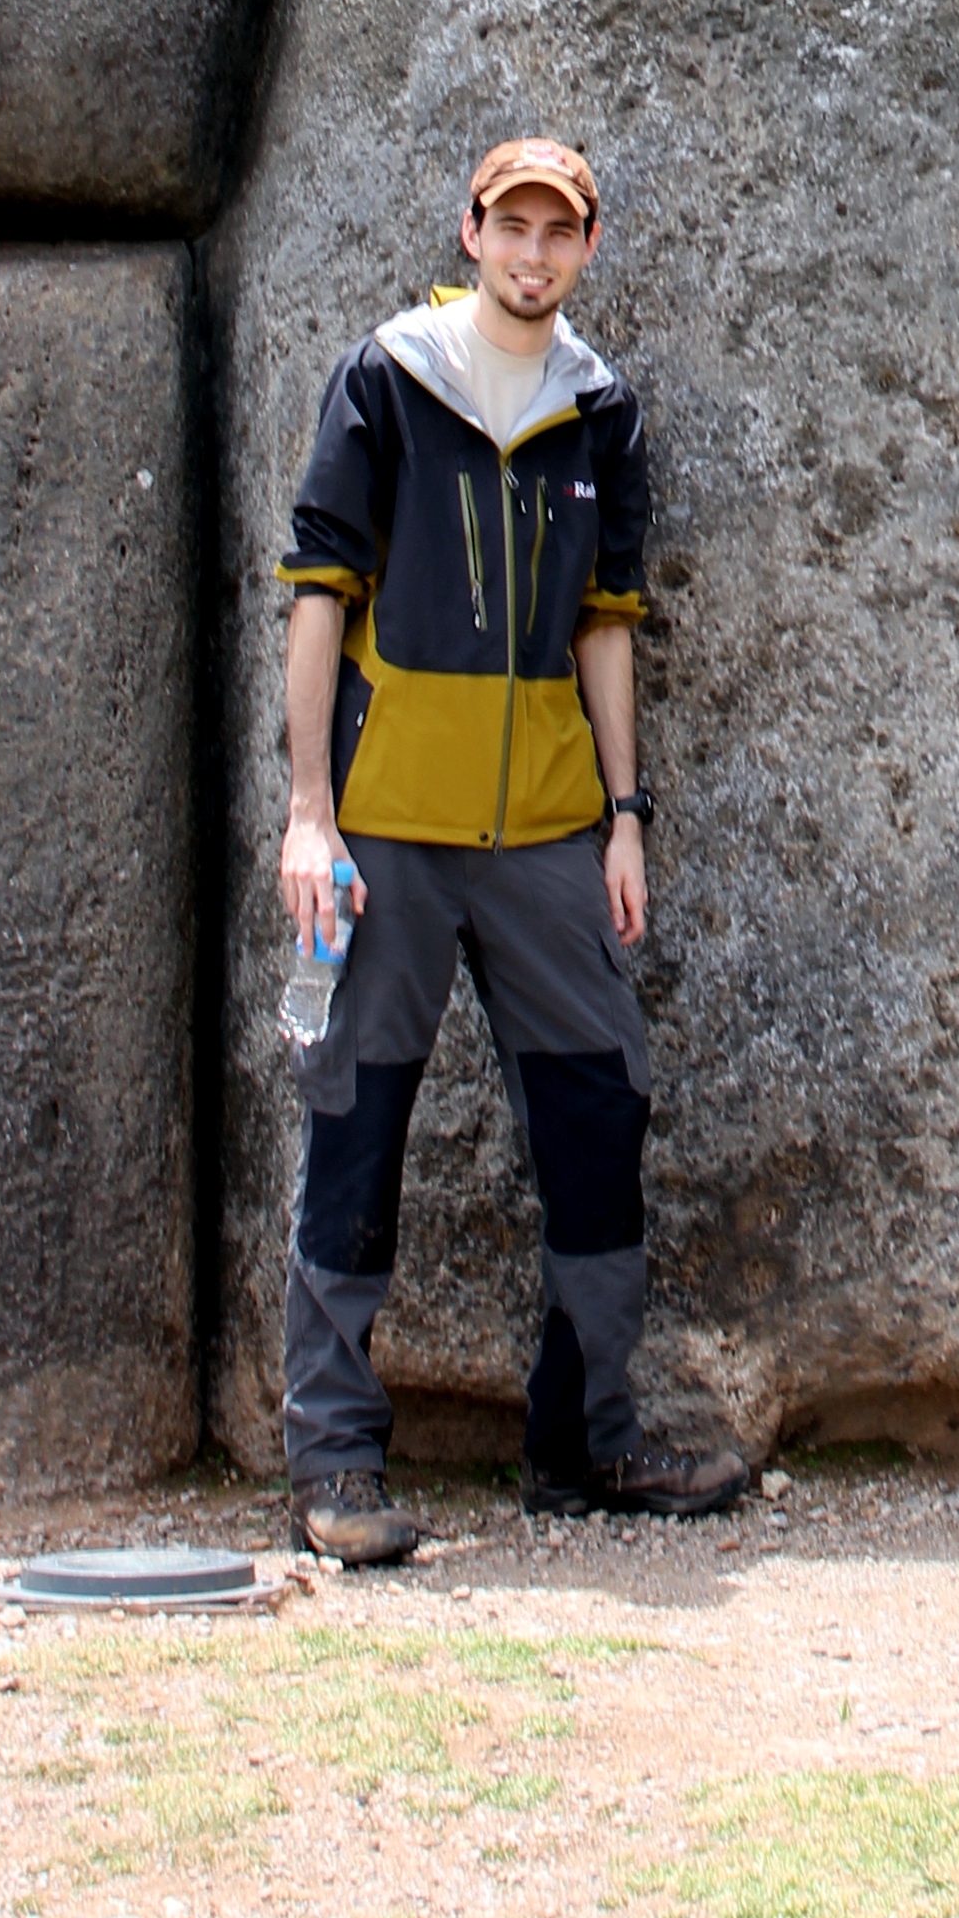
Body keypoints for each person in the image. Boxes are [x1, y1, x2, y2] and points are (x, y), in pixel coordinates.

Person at [273, 133, 749, 1562]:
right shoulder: (386, 377)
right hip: (388, 833)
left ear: (588, 244)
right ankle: (336, 1462)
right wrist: (308, 811)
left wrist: (623, 814)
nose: (534, 252)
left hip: (548, 832)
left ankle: (584, 1442)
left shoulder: (601, 410)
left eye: (560, 230)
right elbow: (315, 591)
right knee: (356, 1114)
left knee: (602, 1105)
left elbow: (608, 626)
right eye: (513, 225)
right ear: (470, 230)